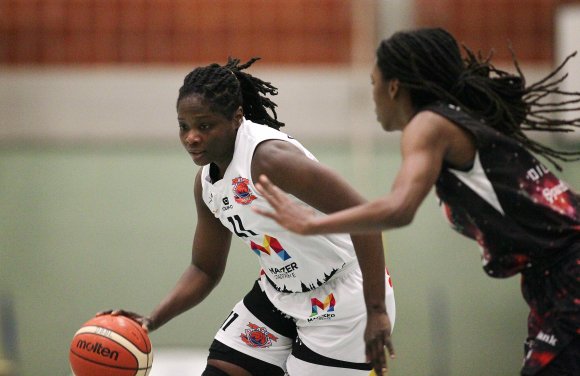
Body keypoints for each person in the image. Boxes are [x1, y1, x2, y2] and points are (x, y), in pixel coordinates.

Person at [254, 28, 580, 376]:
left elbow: (399, 208)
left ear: (393, 87)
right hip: (551, 282)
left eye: (373, 82)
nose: (373, 95)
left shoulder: (428, 125)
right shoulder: (457, 122)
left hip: (568, 275)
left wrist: (312, 224)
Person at [104, 57, 396, 376]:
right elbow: (204, 268)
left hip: (343, 298)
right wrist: (151, 320)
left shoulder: (269, 160)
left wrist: (377, 310)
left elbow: (366, 218)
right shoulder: (206, 183)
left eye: (205, 125)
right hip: (278, 292)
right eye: (184, 126)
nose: (191, 137)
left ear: (236, 117)